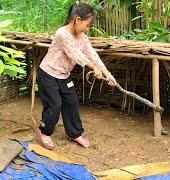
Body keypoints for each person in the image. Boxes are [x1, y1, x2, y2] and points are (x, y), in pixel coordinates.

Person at [37, 1, 116, 150]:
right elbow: (76, 54)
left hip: (64, 75)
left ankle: (74, 133)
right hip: (48, 74)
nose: (87, 29)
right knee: (55, 105)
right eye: (87, 25)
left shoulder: (83, 38)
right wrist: (93, 67)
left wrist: (107, 73)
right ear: (78, 19)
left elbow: (92, 55)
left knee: (71, 102)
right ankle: (44, 131)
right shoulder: (62, 34)